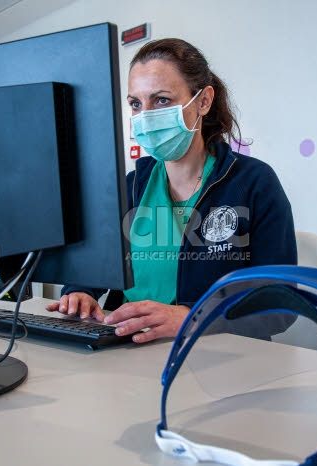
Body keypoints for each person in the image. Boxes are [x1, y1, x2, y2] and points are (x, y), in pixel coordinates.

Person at [46, 38, 297, 343]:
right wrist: (80, 292)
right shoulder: (131, 186)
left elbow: (279, 305)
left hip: (217, 354)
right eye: (136, 104)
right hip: (131, 348)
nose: (146, 116)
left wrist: (195, 317)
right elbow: (94, 270)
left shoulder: (253, 183)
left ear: (203, 101)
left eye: (161, 100)